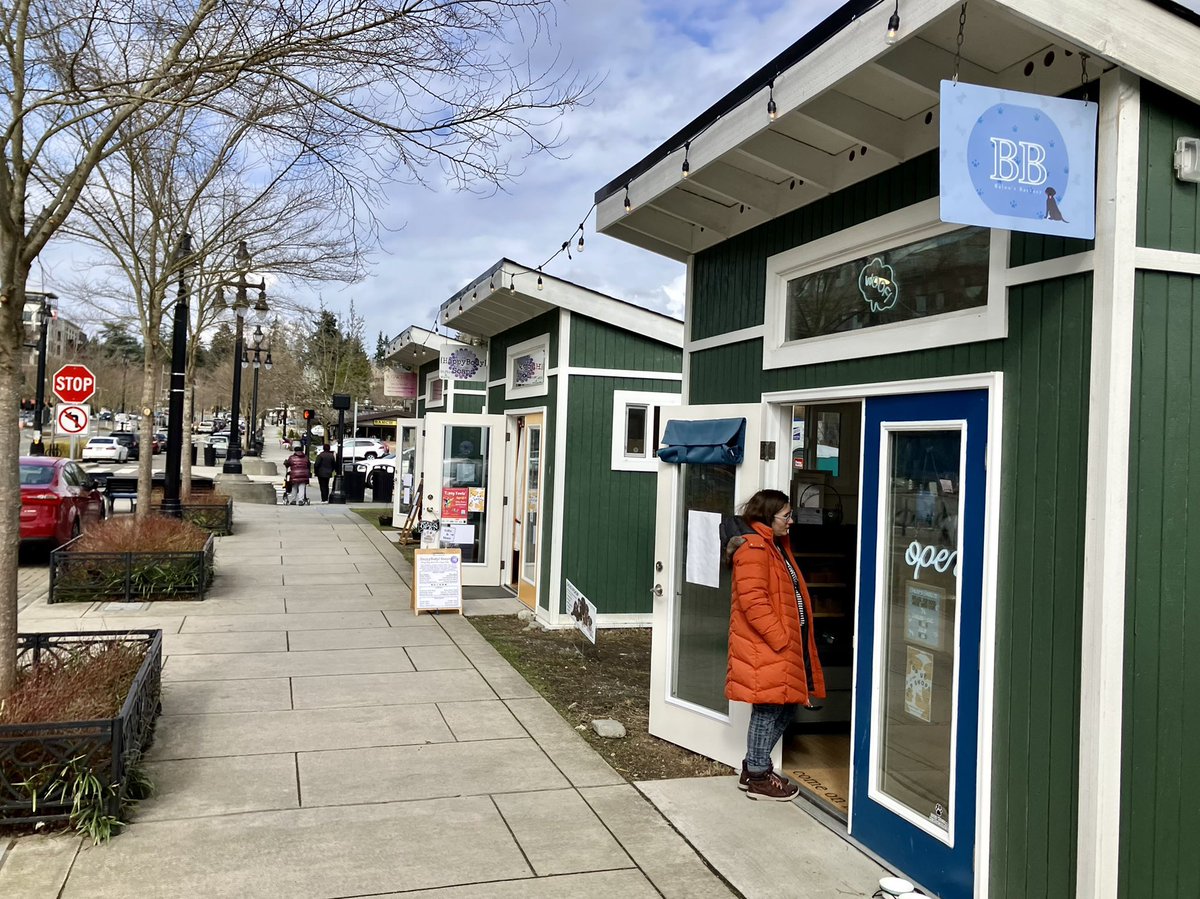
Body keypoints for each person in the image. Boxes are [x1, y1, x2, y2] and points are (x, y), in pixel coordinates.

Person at [726, 489, 826, 801]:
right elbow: (753, 602)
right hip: (768, 646)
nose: (791, 521)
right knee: (769, 709)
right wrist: (781, 638)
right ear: (769, 517)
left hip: (778, 646)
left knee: (783, 706)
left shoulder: (774, 545)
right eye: (787, 516)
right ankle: (757, 774)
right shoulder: (755, 549)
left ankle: (754, 768)